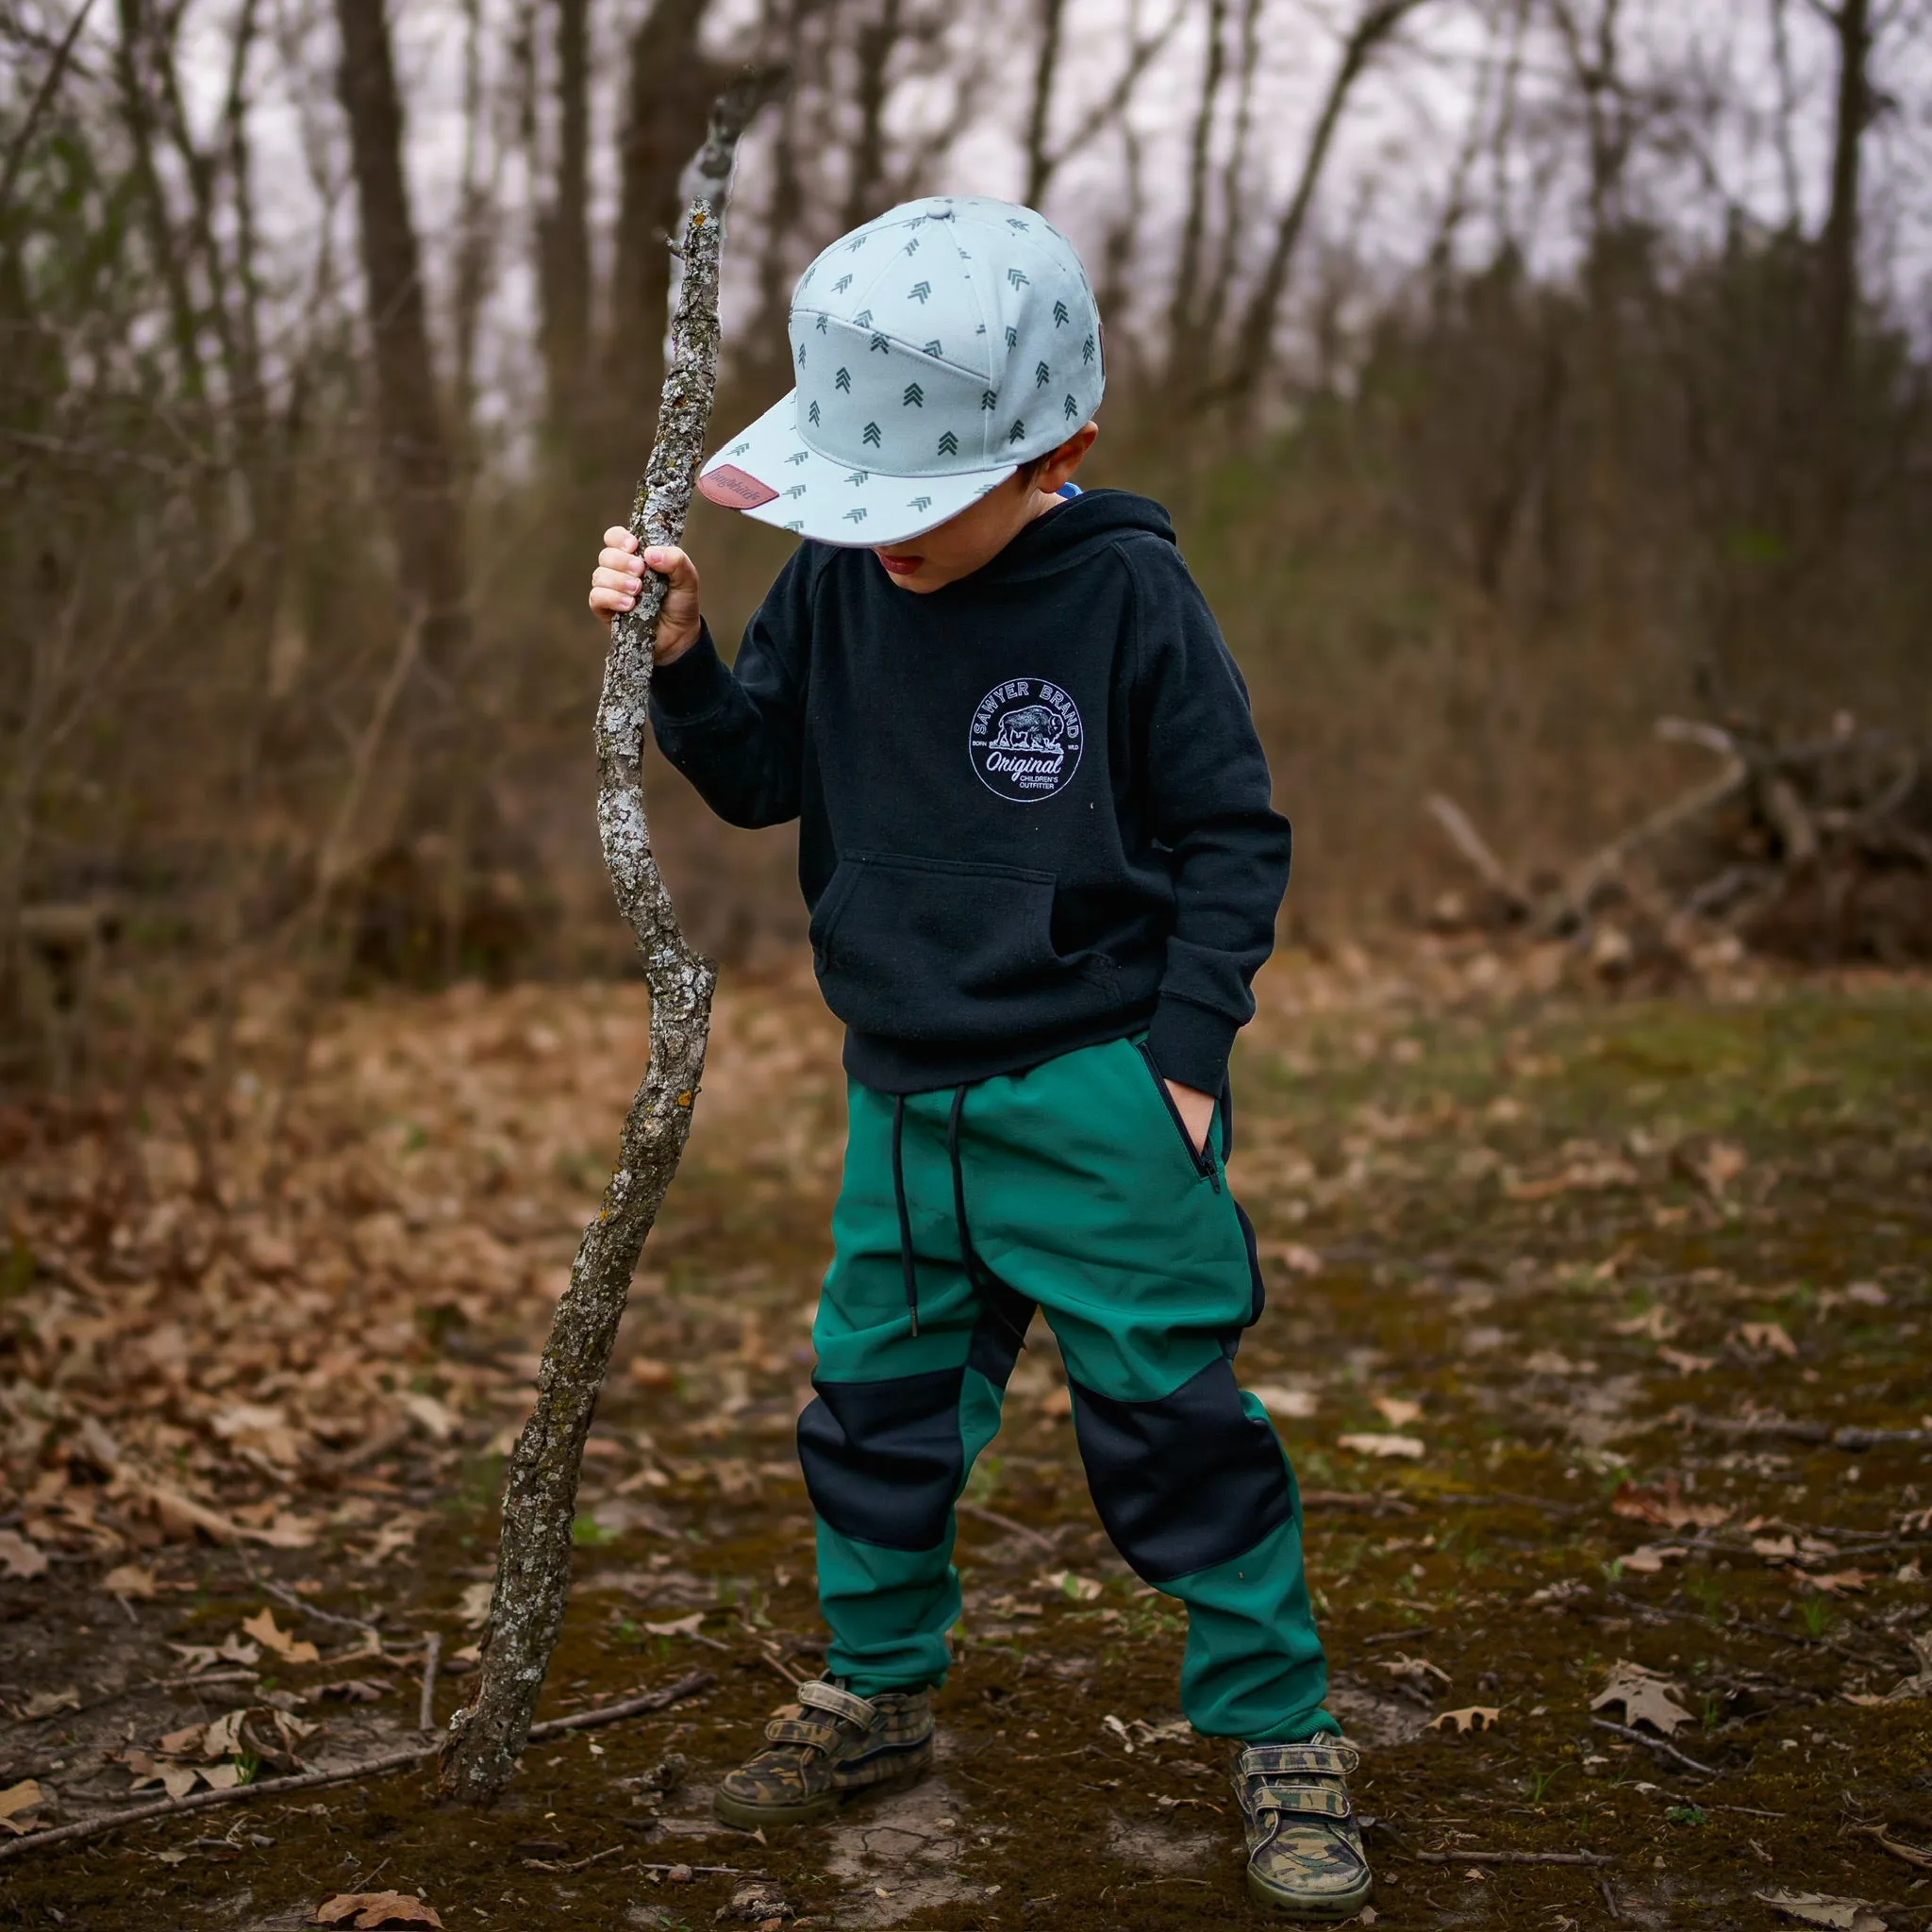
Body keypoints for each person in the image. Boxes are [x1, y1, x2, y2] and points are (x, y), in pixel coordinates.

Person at [586, 195, 1370, 1921]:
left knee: (1173, 1423)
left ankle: (1281, 1727)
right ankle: (875, 1694)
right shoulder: (842, 582)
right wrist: (680, 658)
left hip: (1097, 1093)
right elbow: (754, 773)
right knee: (873, 1412)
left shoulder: (1132, 599)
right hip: (901, 1099)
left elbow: (1237, 834)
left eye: (926, 505)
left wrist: (1184, 1052)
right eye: (867, 504)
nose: (895, 540)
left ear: (1058, 451)